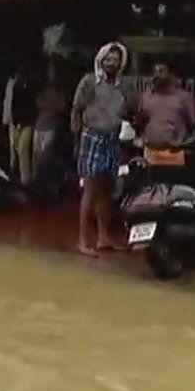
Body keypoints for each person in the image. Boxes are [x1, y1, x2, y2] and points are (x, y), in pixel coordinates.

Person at [71, 42, 134, 257]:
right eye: (108, 59)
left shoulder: (124, 86)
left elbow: (130, 110)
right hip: (92, 137)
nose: (112, 63)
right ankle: (82, 240)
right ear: (100, 60)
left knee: (105, 191)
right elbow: (77, 110)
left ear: (121, 63)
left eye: (116, 60)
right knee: (90, 189)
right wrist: (77, 139)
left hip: (113, 139)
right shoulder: (89, 82)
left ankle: (103, 237)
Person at [138, 62, 195, 148]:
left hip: (176, 150)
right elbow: (140, 123)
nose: (157, 75)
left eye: (161, 71)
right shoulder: (146, 97)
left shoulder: (184, 97)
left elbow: (192, 125)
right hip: (150, 150)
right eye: (154, 73)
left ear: (170, 75)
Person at [3, 65, 38, 185]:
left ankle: (26, 180)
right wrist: (10, 120)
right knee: (14, 150)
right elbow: (10, 104)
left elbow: (29, 105)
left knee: (23, 149)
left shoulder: (30, 86)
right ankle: (14, 178)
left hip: (27, 122)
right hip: (14, 121)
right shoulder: (12, 84)